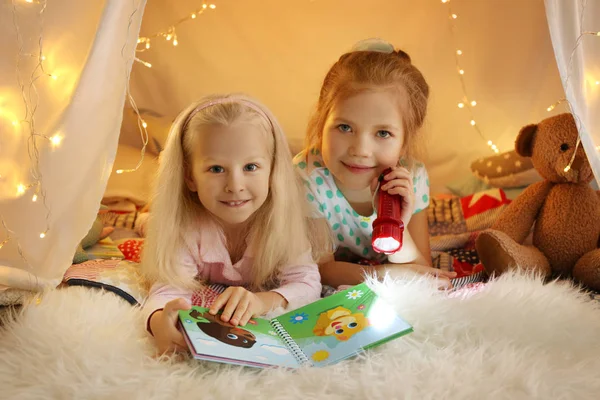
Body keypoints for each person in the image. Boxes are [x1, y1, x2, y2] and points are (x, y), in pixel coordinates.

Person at [142, 94, 322, 354]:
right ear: (190, 177)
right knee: (148, 225)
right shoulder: (185, 228)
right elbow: (168, 287)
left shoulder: (281, 223)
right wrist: (159, 320)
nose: (235, 186)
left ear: (272, 171)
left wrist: (262, 302)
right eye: (216, 169)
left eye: (250, 167)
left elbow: (307, 282)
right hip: (168, 225)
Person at [294, 39, 456, 290]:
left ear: (404, 142)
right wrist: (388, 275)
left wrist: (398, 225)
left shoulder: (412, 177)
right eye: (345, 127)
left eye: (382, 133)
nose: (360, 150)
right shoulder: (307, 177)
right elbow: (322, 269)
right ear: (321, 124)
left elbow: (420, 267)